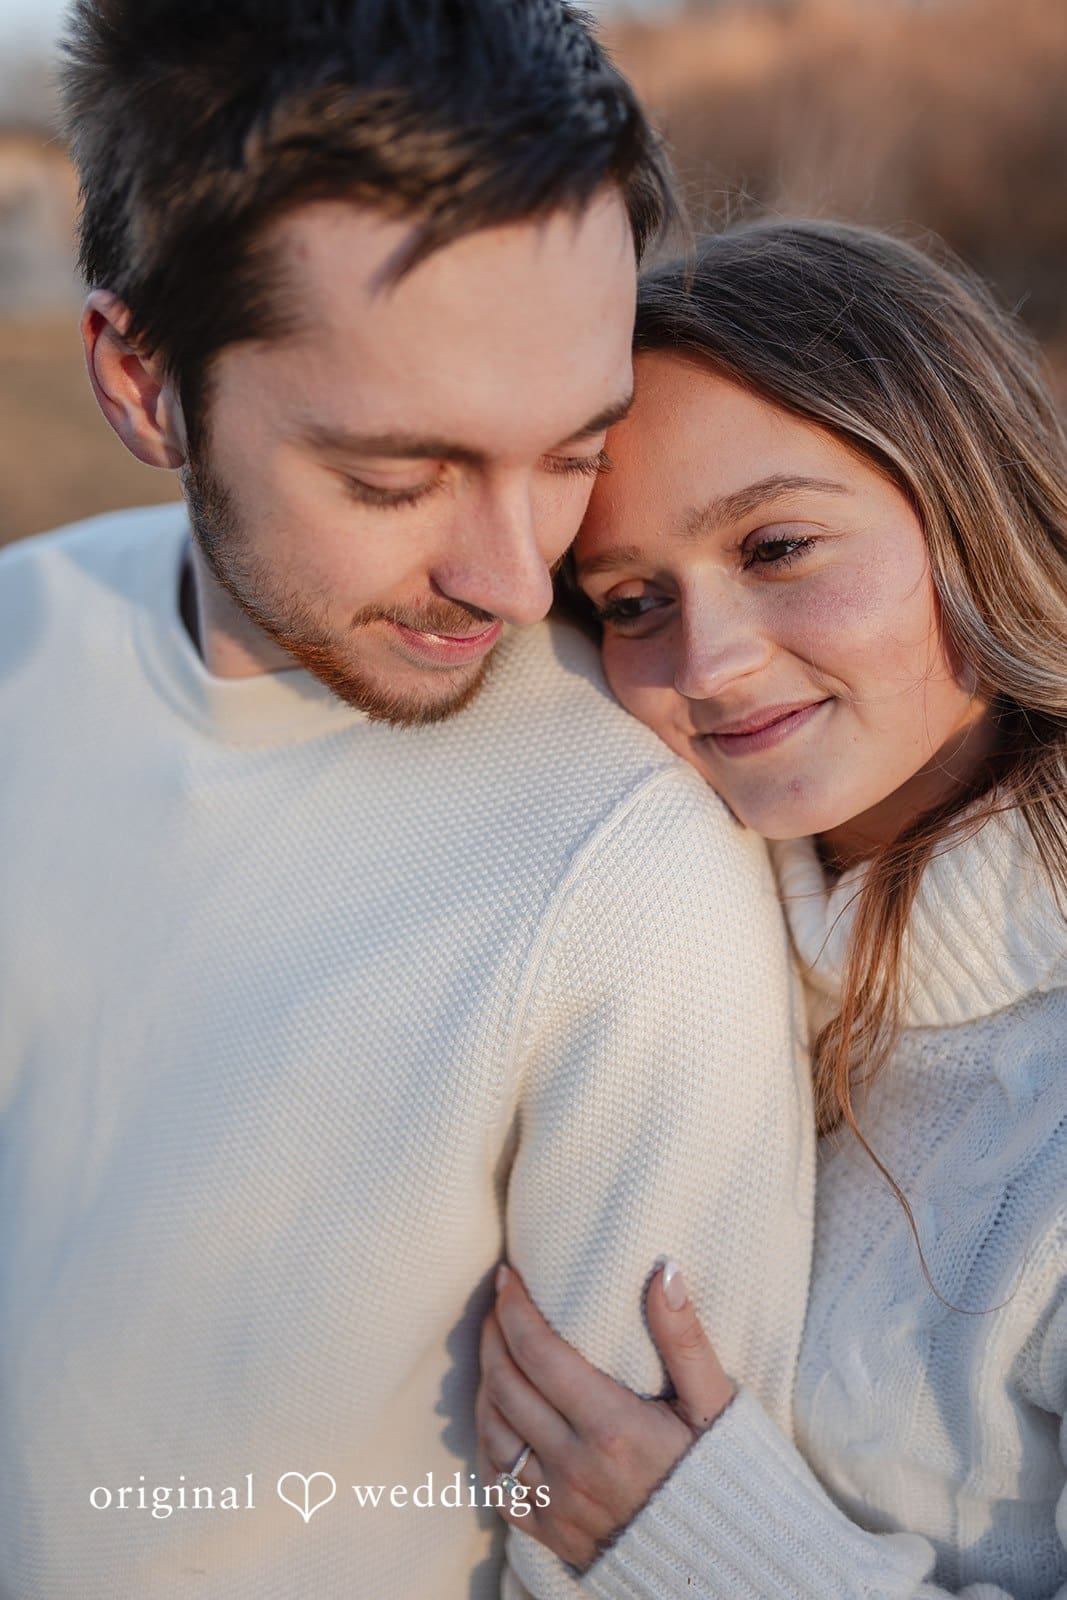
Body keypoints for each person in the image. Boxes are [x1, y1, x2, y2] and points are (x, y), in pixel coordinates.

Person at [0, 8, 816, 1599]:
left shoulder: (625, 868)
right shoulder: (24, 647)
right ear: (141, 379)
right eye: (396, 480)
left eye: (576, 453)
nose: (518, 582)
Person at [476, 219, 1067, 1598]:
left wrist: (713, 1553)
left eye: (781, 543)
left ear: (968, 495)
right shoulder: (653, 944)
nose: (714, 659)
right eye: (631, 601)